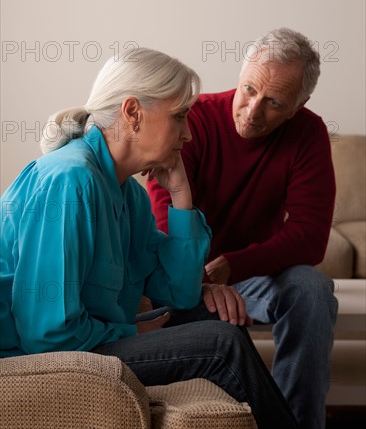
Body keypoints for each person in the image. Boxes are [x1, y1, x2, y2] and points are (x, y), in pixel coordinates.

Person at [0, 47, 299, 429]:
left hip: (83, 339)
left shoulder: (128, 193)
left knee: (215, 312)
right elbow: (47, 333)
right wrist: (131, 330)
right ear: (132, 113)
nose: (188, 134)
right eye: (179, 117)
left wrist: (181, 198)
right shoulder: (70, 181)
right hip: (32, 354)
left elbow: (179, 292)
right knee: (222, 345)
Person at [147, 29, 339, 429]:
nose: (252, 111)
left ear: (298, 105)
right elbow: (165, 217)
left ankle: (301, 423)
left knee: (312, 288)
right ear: (240, 74)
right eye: (249, 89)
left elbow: (310, 235)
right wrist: (202, 278)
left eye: (273, 103)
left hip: (253, 277)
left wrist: (233, 265)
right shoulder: (193, 119)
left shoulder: (308, 133)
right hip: (185, 277)